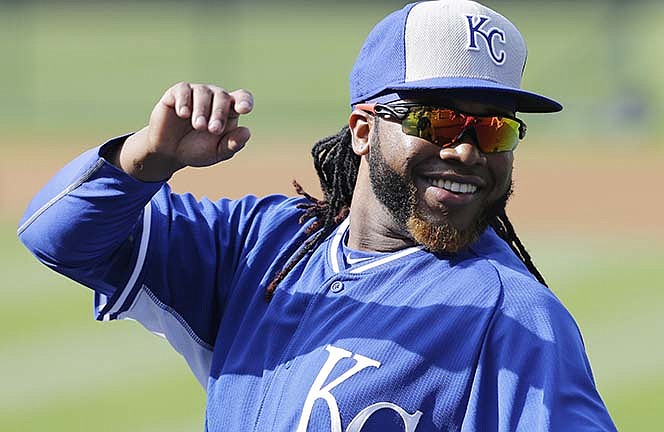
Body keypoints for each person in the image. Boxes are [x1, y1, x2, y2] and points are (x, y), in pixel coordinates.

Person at [18, 0, 617, 430]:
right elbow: (58, 237)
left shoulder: (515, 320)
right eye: (435, 121)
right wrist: (145, 158)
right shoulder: (260, 247)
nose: (466, 149)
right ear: (363, 130)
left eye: (493, 128)